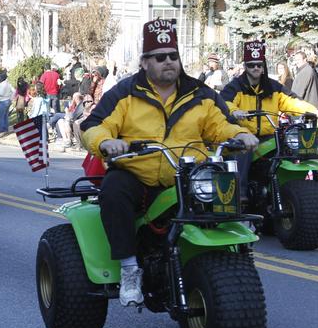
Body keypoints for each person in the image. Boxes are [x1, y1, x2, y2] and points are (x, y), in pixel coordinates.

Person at [80, 19, 259, 307]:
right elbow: (94, 124)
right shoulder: (125, 92)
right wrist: (105, 142)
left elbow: (221, 124)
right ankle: (128, 268)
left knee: (225, 189)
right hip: (139, 175)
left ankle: (231, 259)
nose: (168, 62)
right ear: (145, 62)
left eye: (173, 56)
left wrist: (239, 134)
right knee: (113, 191)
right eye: (160, 57)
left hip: (188, 174)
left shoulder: (200, 93)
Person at [220, 40, 318, 197]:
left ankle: (290, 188)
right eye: (251, 65)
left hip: (269, 135)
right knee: (242, 151)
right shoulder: (236, 86)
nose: (256, 68)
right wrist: (235, 112)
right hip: (244, 134)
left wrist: (311, 110)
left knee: (288, 148)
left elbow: (290, 101)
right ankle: (240, 193)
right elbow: (224, 103)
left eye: (259, 64)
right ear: (245, 66)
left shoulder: (273, 86)